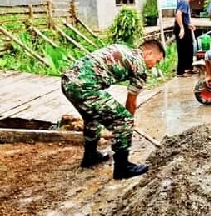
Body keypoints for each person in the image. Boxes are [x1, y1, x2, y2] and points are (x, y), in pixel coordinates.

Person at [61, 40, 166, 179]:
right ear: (148, 53)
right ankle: (122, 167)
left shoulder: (124, 49)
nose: (154, 66)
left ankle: (90, 156)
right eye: (157, 61)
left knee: (91, 116)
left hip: (68, 81)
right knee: (123, 119)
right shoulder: (140, 65)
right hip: (85, 86)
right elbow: (131, 102)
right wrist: (128, 122)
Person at [174, 0, 197, 77]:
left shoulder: (185, 2)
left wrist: (189, 25)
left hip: (185, 27)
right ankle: (181, 71)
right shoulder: (184, 2)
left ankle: (188, 68)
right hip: (181, 28)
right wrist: (182, 28)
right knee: (183, 49)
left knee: (188, 48)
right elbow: (178, 14)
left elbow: (184, 17)